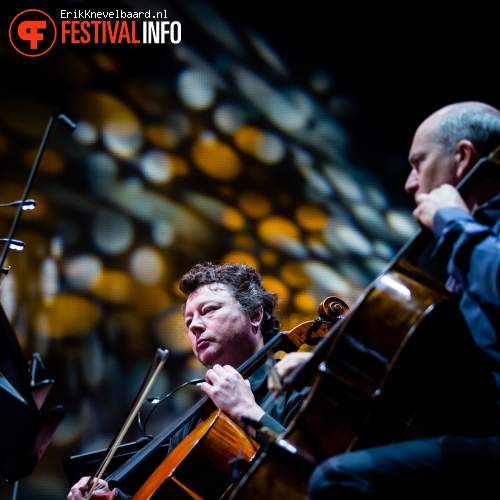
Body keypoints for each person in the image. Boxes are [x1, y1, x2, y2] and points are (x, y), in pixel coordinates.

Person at [270, 101, 500, 498]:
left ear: (462, 158)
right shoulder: (464, 246)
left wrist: (454, 222)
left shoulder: (470, 236)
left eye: (419, 163)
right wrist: (337, 362)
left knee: (340, 478)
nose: (411, 183)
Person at [67, 261, 309, 499]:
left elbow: (317, 473)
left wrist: (247, 411)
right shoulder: (195, 422)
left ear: (255, 315)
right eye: (189, 321)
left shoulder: (298, 384)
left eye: (209, 310)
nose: (194, 326)